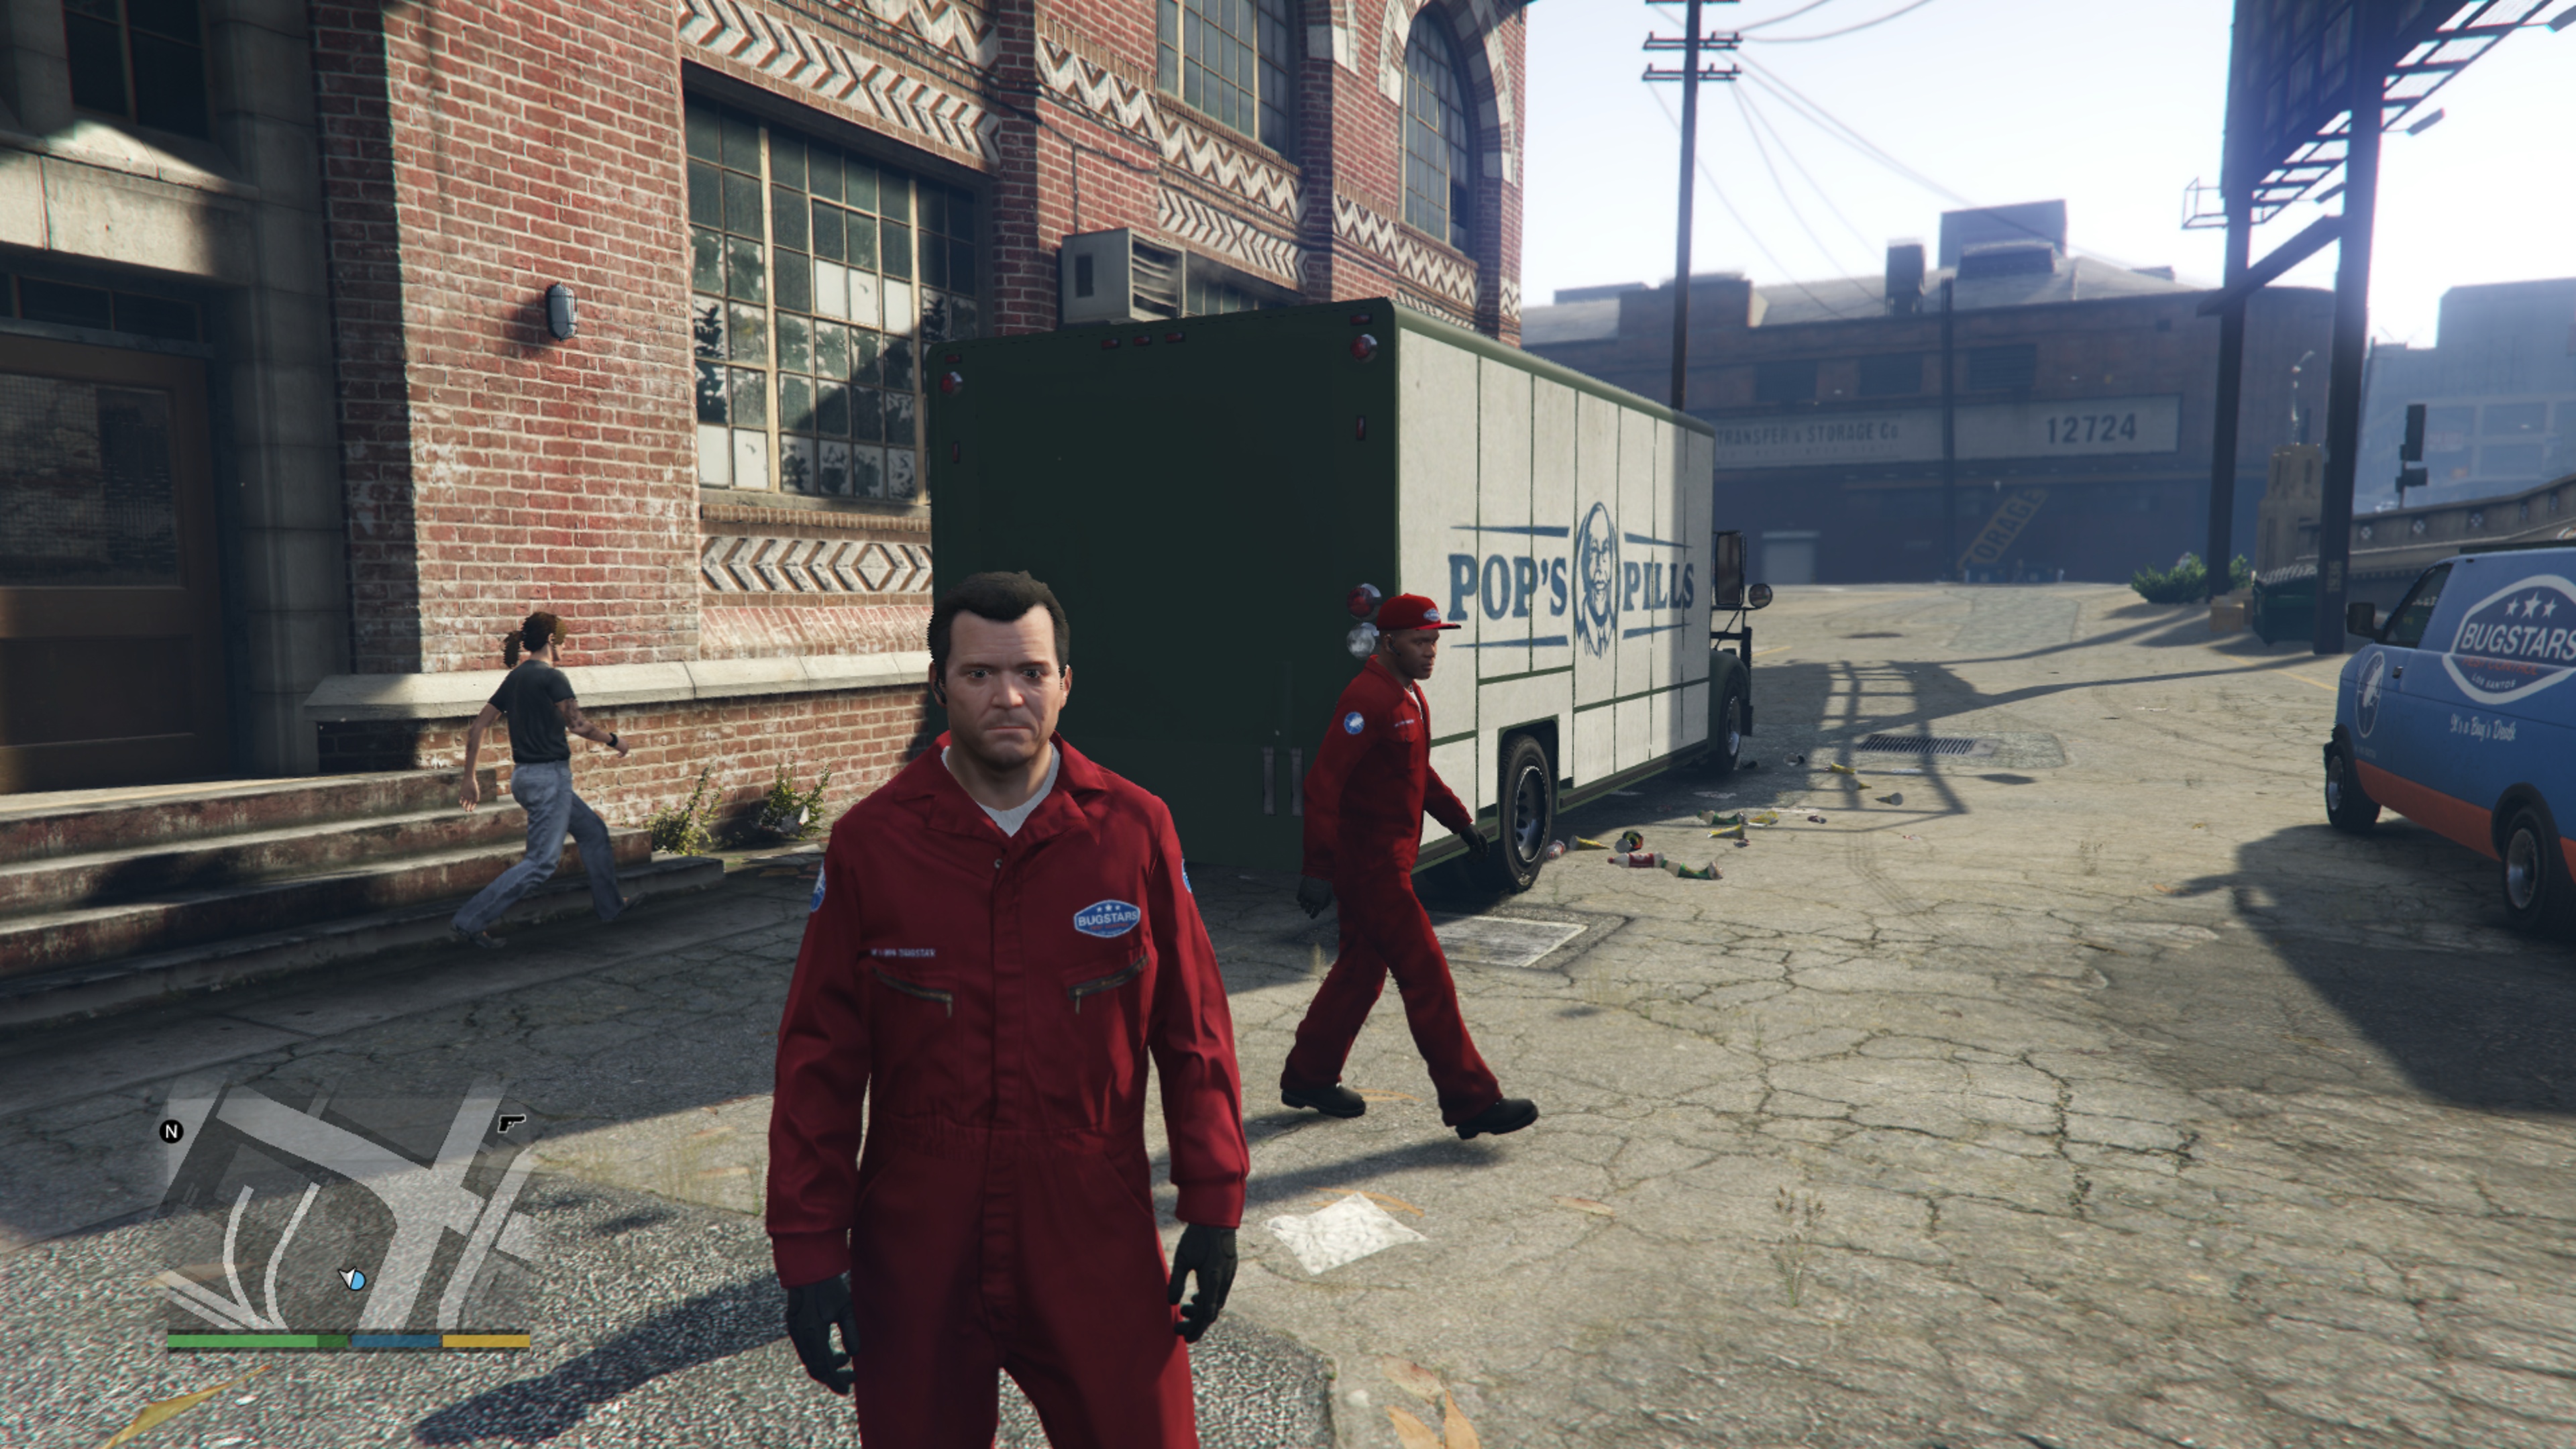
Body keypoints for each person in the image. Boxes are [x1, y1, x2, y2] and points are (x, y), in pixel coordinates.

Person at [766, 571, 1248, 1449]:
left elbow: (1193, 1028)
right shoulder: (871, 844)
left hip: (1092, 1221)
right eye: (980, 674)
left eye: (1031, 672)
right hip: (919, 1231)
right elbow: (819, 1059)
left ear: (1066, 682)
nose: (1009, 697)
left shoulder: (1134, 830)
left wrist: (1214, 1201)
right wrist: (809, 1248)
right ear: (938, 685)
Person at [1282, 593, 1538, 1140]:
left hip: (1389, 862)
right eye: (1421, 642)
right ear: (1388, 641)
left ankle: (1309, 1076)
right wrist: (1317, 870)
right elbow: (1323, 785)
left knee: (1359, 974)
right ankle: (1472, 1100)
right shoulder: (1366, 699)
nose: (1431, 652)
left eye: (1435, 641)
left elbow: (1418, 772)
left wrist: (1461, 822)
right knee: (1427, 977)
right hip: (1371, 870)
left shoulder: (1409, 695)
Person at [450, 611, 631, 947]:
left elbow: (478, 726)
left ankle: (611, 907)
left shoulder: (516, 678)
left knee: (593, 831)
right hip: (550, 778)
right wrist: (615, 741)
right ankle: (469, 921)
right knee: (541, 863)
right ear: (551, 640)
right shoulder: (552, 677)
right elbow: (578, 725)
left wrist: (469, 778)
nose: (564, 646)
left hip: (525, 778)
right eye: (562, 640)